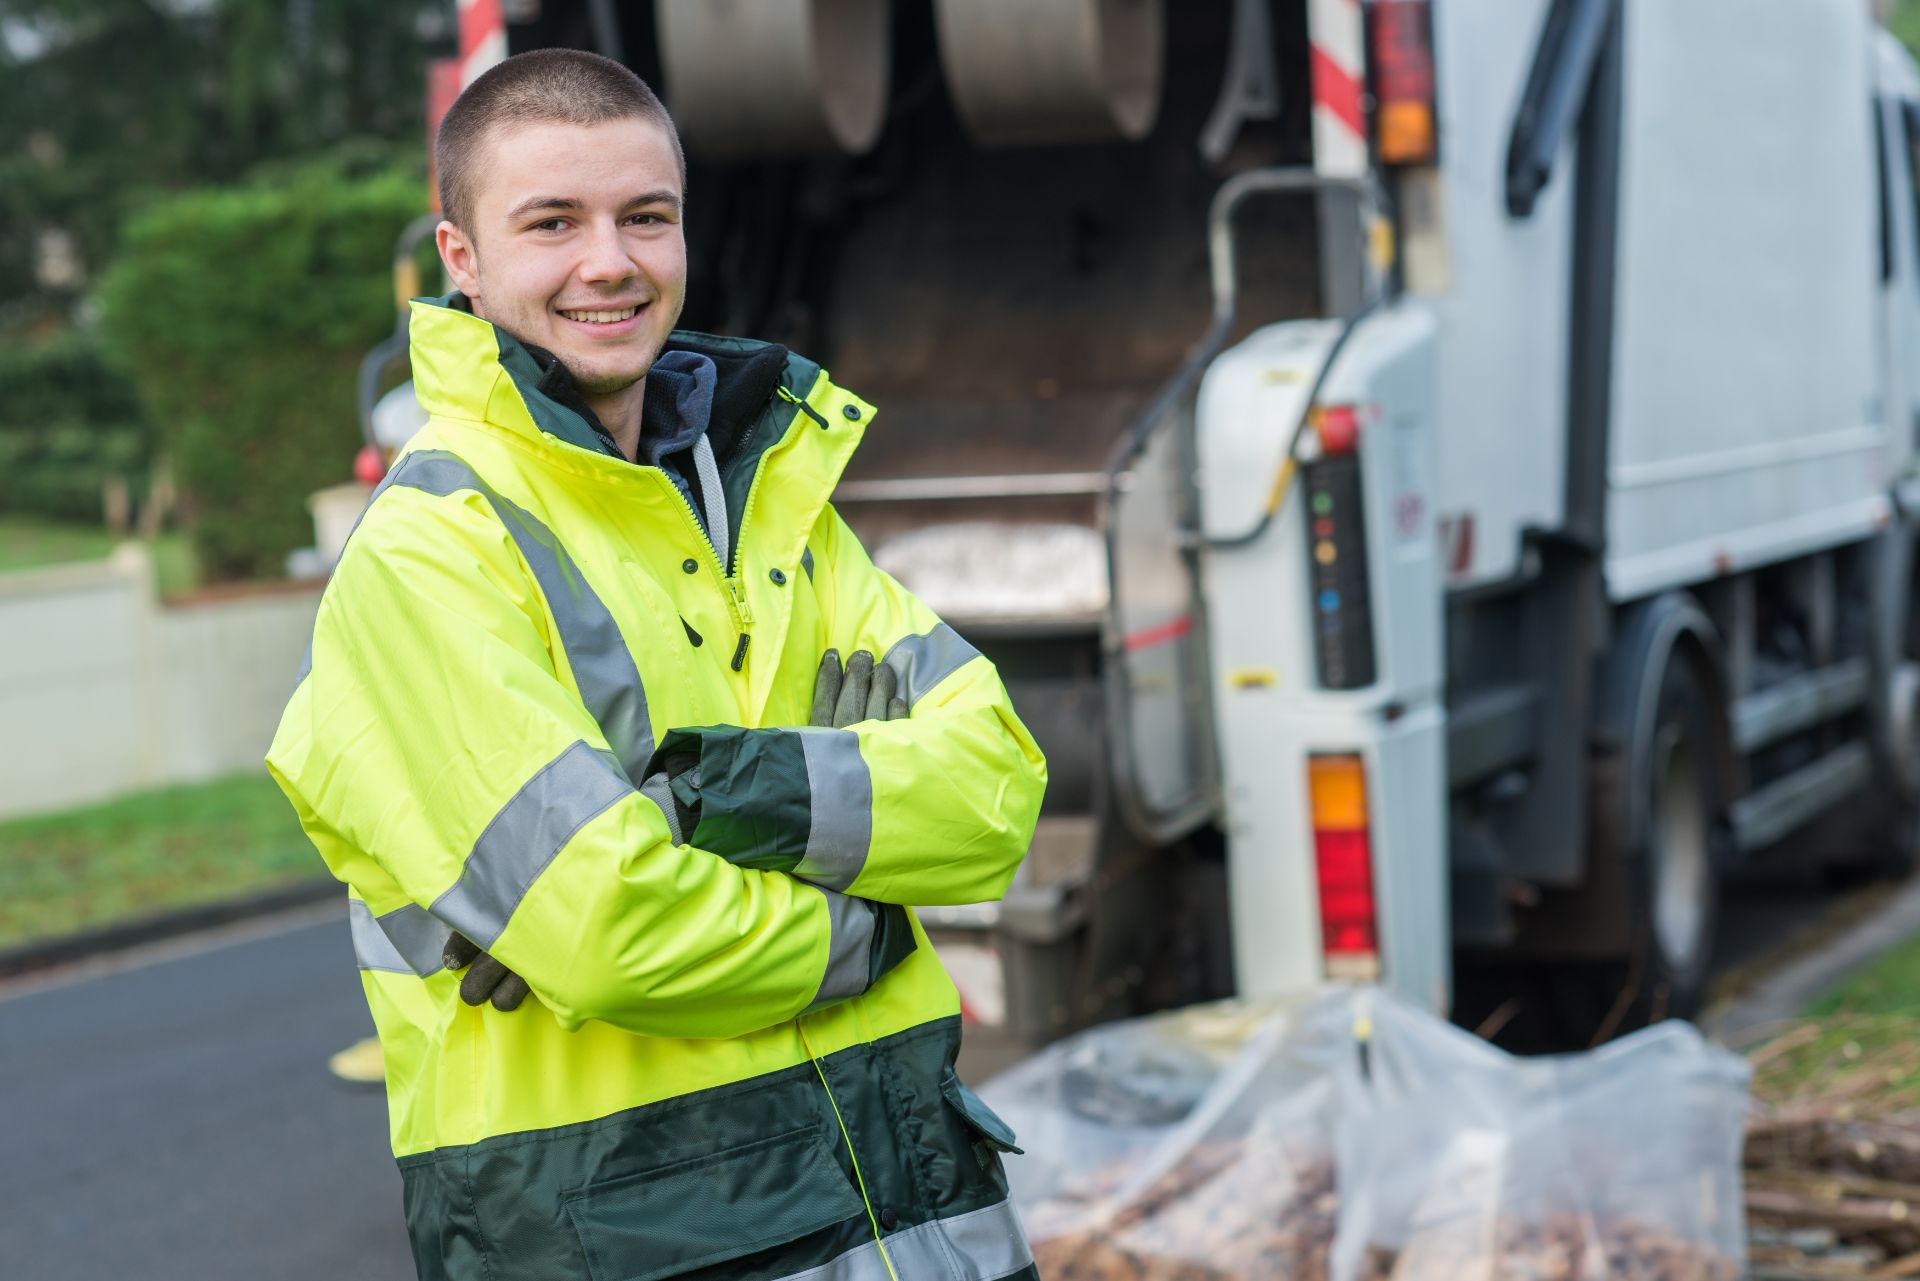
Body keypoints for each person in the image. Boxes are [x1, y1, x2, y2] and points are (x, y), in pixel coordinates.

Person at [267, 47, 1047, 1281]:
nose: (609, 262)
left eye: (646, 216)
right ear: (460, 260)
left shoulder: (772, 505)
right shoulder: (434, 553)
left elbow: (996, 789)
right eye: (551, 223)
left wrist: (714, 796)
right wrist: (870, 922)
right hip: (623, 1239)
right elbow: (614, 931)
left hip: (913, 1208)